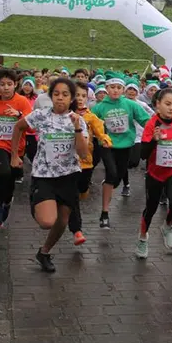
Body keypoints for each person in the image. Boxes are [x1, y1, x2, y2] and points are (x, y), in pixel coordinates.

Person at [9, 78, 89, 272]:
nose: (60, 98)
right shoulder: (41, 115)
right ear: (51, 96)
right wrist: (15, 155)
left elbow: (83, 153)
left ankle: (44, 252)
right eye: (56, 94)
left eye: (65, 94)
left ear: (71, 98)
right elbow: (19, 127)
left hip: (68, 175)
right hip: (44, 175)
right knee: (47, 222)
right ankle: (35, 201)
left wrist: (77, 128)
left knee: (62, 221)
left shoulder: (78, 120)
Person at [90, 71, 151, 228]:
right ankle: (104, 213)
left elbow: (145, 120)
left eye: (118, 87)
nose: (115, 90)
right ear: (106, 89)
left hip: (126, 145)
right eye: (112, 87)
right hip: (107, 145)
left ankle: (109, 184)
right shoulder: (100, 107)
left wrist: (157, 130)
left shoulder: (131, 105)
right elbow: (89, 123)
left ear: (123, 89)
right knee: (111, 173)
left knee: (116, 179)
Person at [136, 88, 172, 258]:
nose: (171, 108)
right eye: (167, 104)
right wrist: (153, 140)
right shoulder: (152, 124)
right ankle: (143, 238)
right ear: (158, 104)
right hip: (155, 174)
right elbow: (143, 155)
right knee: (151, 209)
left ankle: (167, 226)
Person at [0, 68, 32, 228]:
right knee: (4, 171)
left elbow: (31, 125)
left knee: (11, 178)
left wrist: (18, 115)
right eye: (2, 84)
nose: (6, 87)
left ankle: (7, 202)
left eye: (9, 84)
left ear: (15, 85)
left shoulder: (22, 101)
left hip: (17, 146)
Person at [68, 81, 112, 246]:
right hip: (69, 162)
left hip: (86, 162)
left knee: (82, 188)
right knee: (72, 196)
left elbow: (101, 131)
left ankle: (83, 191)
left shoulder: (91, 117)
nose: (80, 99)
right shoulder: (65, 115)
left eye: (83, 96)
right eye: (76, 95)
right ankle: (77, 230)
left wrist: (105, 140)